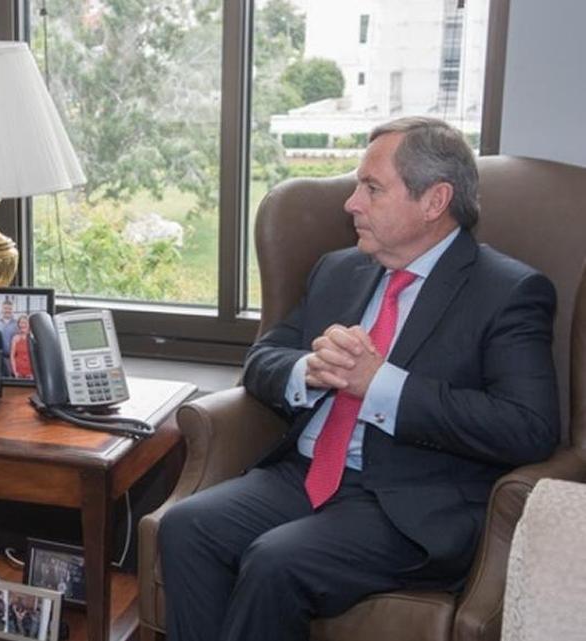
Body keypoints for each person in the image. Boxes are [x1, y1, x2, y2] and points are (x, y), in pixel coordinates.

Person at [158, 116, 559, 641]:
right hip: (305, 474)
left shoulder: (507, 291)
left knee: (276, 562)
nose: (351, 203)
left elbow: (528, 427)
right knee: (186, 526)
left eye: (372, 188)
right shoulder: (339, 270)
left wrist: (381, 385)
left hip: (410, 502)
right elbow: (265, 357)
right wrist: (311, 369)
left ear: (434, 201)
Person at [0, 299, 19, 375]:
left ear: (12, 310)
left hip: (12, 358)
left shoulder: (17, 324)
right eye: (5, 308)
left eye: (10, 309)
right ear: (2, 309)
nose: (7, 310)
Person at [9, 314, 33, 379]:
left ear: (29, 325)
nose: (23, 325)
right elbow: (12, 356)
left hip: (30, 372)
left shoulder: (33, 338)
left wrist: (33, 373)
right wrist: (15, 372)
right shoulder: (15, 338)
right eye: (21, 323)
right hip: (19, 371)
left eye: (25, 323)